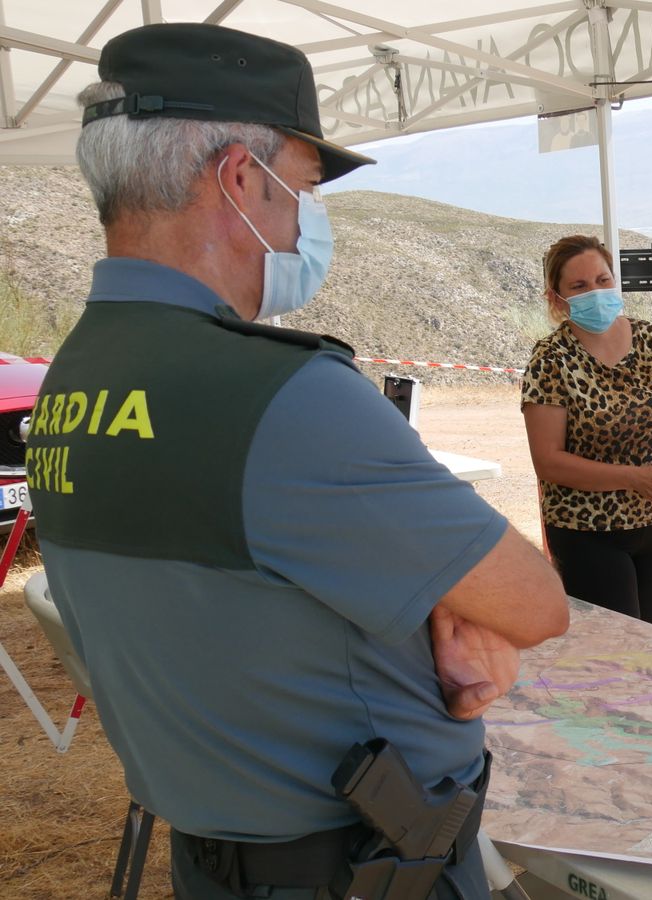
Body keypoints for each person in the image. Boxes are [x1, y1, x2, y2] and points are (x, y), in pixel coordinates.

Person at [24, 24, 568, 900]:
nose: (305, 220)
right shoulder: (282, 397)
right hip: (359, 868)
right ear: (241, 180)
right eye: (303, 190)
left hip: (215, 862)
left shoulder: (77, 378)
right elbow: (534, 604)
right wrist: (451, 608)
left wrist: (432, 596)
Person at [520, 235, 652, 629]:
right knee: (618, 652)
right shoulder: (551, 359)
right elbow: (548, 460)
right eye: (579, 286)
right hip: (588, 530)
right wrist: (636, 479)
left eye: (603, 280)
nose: (595, 292)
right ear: (557, 298)